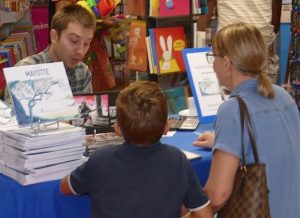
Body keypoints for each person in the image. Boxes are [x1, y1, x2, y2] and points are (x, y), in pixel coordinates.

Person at [60, 81, 213, 218]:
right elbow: (205, 214)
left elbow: (65, 187)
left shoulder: (100, 159)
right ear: (167, 126)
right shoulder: (177, 159)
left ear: (118, 128)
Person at [193, 23, 300, 218]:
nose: (213, 65)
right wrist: (220, 141)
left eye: (213, 57)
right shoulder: (283, 96)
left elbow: (218, 195)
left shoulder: (233, 110)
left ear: (226, 63)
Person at [5, 3, 96, 101]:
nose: (80, 51)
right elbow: (11, 115)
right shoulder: (24, 71)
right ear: (54, 37)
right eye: (74, 41)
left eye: (86, 43)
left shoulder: (83, 72)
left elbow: (87, 113)